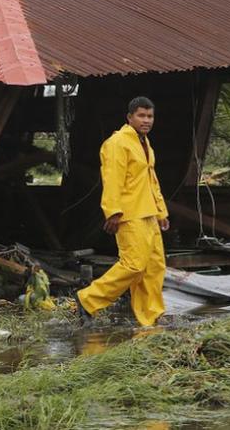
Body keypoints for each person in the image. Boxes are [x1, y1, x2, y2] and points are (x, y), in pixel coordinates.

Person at [76, 97, 169, 327]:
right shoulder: (117, 143)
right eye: (141, 116)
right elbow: (112, 179)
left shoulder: (144, 142)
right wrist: (113, 211)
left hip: (149, 212)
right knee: (134, 264)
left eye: (150, 116)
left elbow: (151, 180)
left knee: (154, 267)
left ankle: (152, 316)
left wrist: (161, 211)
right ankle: (88, 299)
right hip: (130, 213)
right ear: (129, 117)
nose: (146, 120)